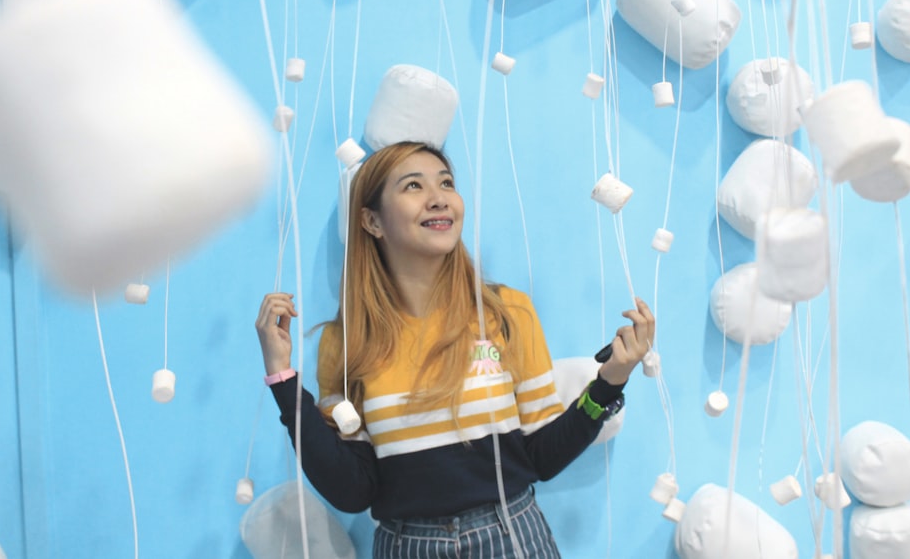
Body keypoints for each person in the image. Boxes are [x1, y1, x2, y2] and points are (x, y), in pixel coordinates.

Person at [255, 141, 655, 558]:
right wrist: (282, 379)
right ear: (372, 221)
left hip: (513, 535)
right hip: (405, 545)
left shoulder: (508, 312)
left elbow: (540, 458)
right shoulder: (347, 341)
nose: (438, 198)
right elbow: (353, 490)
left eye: (446, 183)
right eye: (413, 186)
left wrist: (609, 384)